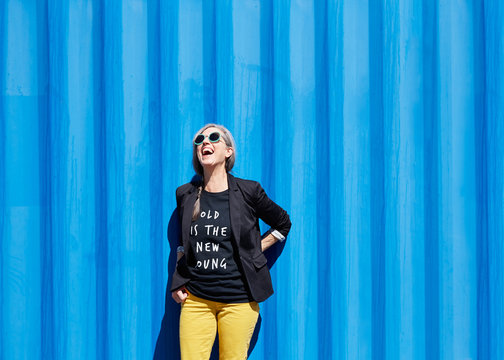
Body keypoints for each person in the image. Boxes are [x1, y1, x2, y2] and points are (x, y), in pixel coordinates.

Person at [170, 124, 291, 360]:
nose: (205, 142)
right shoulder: (185, 194)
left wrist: (256, 250)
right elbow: (182, 243)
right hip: (196, 301)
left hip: (238, 301)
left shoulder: (248, 191)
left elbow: (283, 223)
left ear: (228, 151)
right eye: (200, 140)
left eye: (214, 137)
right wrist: (177, 280)